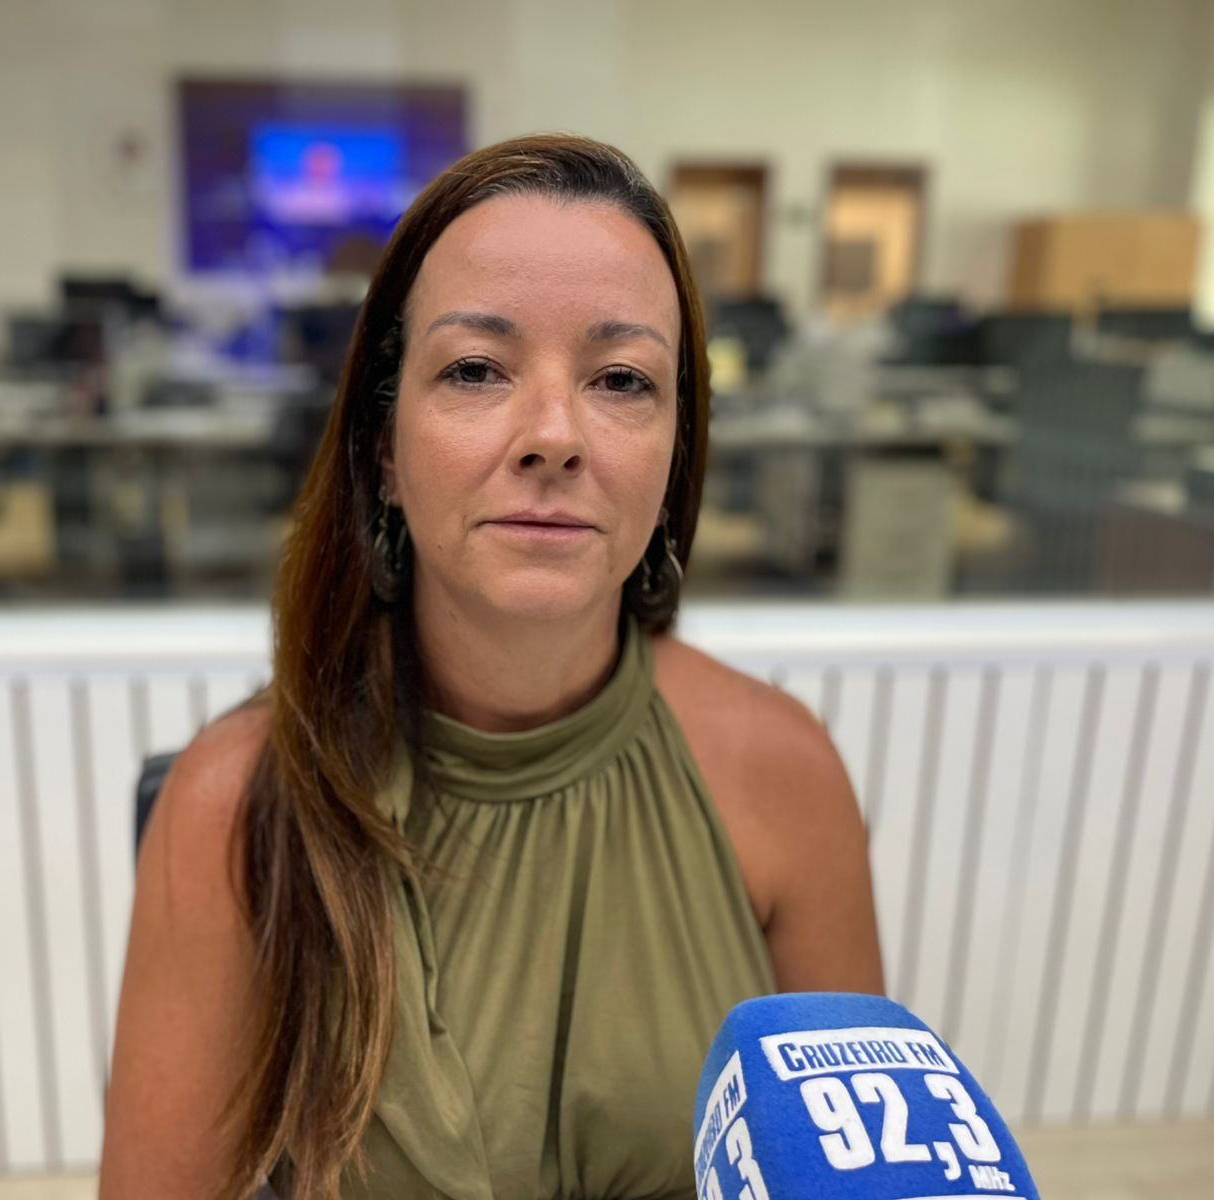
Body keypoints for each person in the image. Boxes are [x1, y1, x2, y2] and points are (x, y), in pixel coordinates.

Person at [100, 133, 883, 1200]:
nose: (554, 436)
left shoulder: (786, 775)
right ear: (383, 447)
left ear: (674, 454)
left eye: (621, 379)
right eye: (475, 369)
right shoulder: (231, 804)